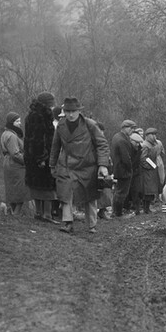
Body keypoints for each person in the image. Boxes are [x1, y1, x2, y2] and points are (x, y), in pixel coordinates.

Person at [49, 97, 110, 234]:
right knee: (66, 193)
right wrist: (52, 165)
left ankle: (92, 225)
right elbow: (55, 147)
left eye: (73, 111)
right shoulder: (61, 126)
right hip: (66, 165)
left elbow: (102, 144)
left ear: (79, 111)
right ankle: (67, 222)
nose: (70, 114)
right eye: (67, 111)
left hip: (87, 166)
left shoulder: (89, 125)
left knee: (90, 196)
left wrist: (102, 165)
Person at [24, 91, 59, 224]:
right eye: (51, 105)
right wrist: (42, 158)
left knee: (36, 185)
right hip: (41, 156)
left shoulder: (31, 115)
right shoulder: (41, 116)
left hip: (31, 156)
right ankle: (47, 214)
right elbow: (38, 139)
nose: (52, 108)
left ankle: (39, 212)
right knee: (47, 186)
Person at [0, 111, 29, 215]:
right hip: (15, 165)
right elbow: (15, 154)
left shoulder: (5, 133)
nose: (19, 123)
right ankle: (16, 214)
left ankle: (14, 213)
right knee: (20, 191)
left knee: (12, 191)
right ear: (12, 122)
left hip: (9, 163)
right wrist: (27, 162)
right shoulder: (12, 136)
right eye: (17, 121)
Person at [110, 119, 137, 217]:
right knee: (121, 193)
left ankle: (115, 212)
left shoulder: (116, 137)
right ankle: (118, 213)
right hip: (123, 170)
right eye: (131, 128)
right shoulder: (122, 140)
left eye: (133, 128)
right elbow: (126, 158)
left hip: (118, 168)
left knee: (118, 191)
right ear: (124, 128)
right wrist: (130, 168)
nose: (132, 130)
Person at [140, 127, 164, 214]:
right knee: (147, 190)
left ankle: (148, 208)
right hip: (147, 171)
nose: (154, 136)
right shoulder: (145, 145)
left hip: (152, 169)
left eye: (155, 134)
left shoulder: (153, 144)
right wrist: (149, 167)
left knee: (151, 190)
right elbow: (143, 158)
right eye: (152, 134)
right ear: (147, 135)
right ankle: (146, 209)